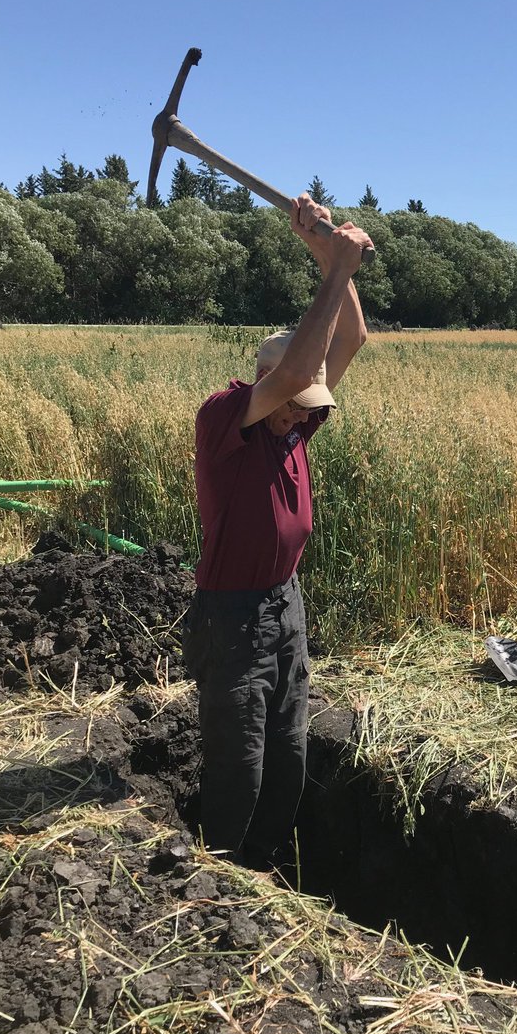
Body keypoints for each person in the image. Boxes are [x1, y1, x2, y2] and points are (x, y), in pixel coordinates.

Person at [182, 193, 373, 867]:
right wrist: (334, 273)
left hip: (284, 609)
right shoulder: (226, 420)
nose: (302, 414)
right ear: (262, 384)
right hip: (231, 622)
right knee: (241, 772)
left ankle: (262, 874)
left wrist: (329, 257)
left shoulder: (294, 424)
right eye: (292, 403)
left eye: (309, 405)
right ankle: (221, 886)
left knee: (289, 760)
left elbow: (349, 342)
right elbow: (295, 372)